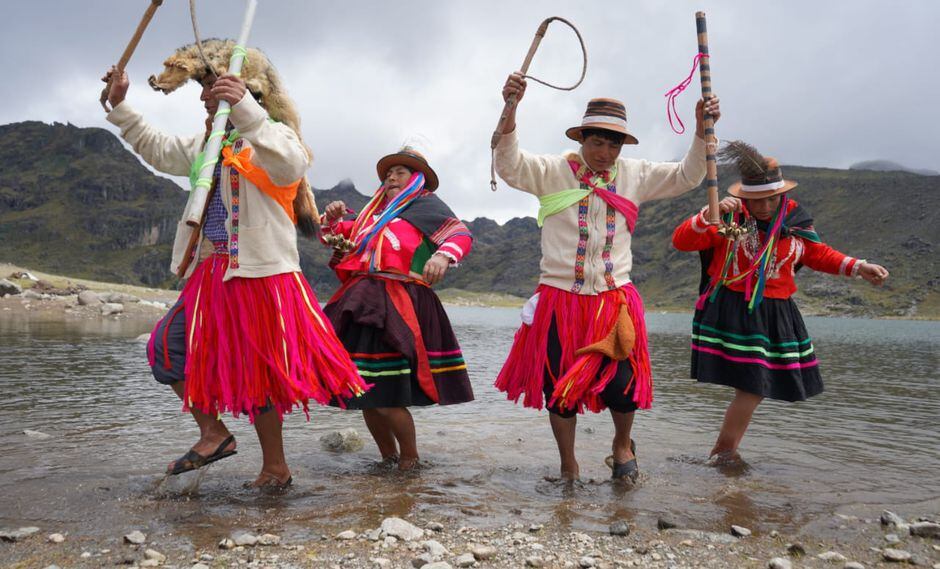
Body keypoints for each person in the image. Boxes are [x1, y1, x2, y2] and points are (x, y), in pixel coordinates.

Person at [103, 40, 367, 487]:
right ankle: (214, 432)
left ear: (248, 96)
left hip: (261, 273)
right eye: (205, 92)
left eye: (215, 90)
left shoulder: (271, 139)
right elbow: (158, 148)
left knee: (259, 374)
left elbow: (290, 165)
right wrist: (122, 105)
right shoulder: (208, 144)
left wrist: (243, 106)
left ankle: (276, 468)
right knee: (166, 348)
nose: (207, 98)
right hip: (210, 272)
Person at [493, 72, 720, 482]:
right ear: (582, 139)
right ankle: (568, 465)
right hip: (561, 300)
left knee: (621, 385)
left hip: (614, 300)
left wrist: (704, 131)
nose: (606, 151)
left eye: (613, 143)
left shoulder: (634, 175)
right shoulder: (551, 171)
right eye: (597, 141)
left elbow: (688, 175)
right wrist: (511, 110)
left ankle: (620, 445)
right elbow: (509, 165)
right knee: (559, 390)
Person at [671, 140, 889, 462]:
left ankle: (724, 452)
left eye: (769, 198)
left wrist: (858, 266)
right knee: (754, 386)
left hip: (777, 311)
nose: (761, 206)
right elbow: (682, 241)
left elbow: (817, 253)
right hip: (734, 306)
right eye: (755, 199)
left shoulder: (795, 218)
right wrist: (708, 215)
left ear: (781, 193)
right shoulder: (729, 214)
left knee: (753, 385)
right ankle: (724, 452)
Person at [320, 147, 474, 471]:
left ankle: (409, 461)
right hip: (363, 303)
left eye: (400, 172)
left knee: (388, 395)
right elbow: (334, 239)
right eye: (388, 173)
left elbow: (459, 235)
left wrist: (442, 256)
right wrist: (332, 218)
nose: (391, 177)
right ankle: (386, 458)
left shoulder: (426, 206)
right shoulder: (369, 218)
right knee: (365, 392)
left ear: (417, 180)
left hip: (400, 302)